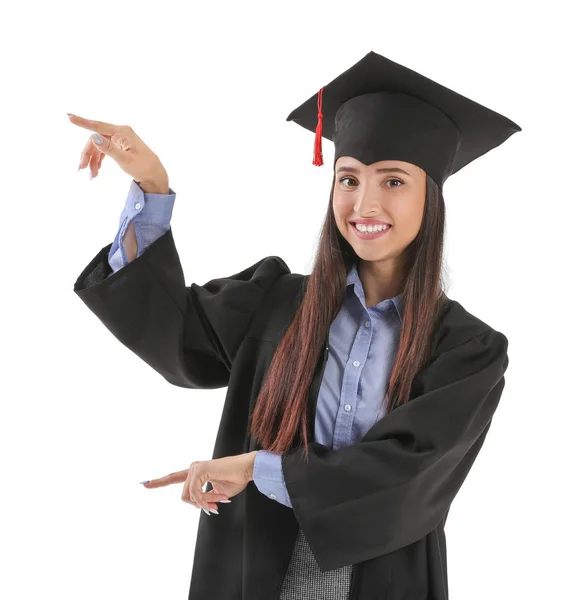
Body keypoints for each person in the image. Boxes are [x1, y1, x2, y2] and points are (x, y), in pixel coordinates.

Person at [70, 50, 521, 600]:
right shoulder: (276, 300)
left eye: (394, 182)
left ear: (433, 197)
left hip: (383, 575)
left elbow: (412, 473)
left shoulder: (468, 349)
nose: (365, 203)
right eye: (348, 179)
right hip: (254, 565)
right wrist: (152, 187)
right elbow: (176, 336)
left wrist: (259, 469)